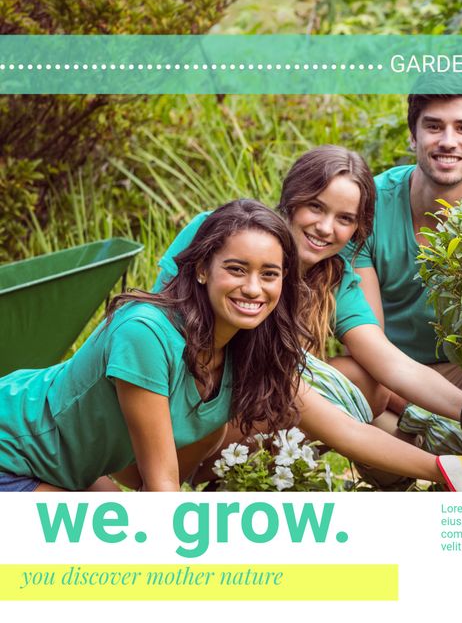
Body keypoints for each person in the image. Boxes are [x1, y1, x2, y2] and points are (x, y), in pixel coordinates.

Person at [154, 146, 462, 469]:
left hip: (257, 403)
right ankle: (223, 471)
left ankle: (272, 474)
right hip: (183, 402)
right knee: (301, 384)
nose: (326, 228)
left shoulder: (334, 278)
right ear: (291, 200)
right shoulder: (219, 233)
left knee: (360, 379)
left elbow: (389, 361)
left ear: (357, 228)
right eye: (316, 206)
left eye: (344, 219)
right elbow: (159, 325)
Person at [0, 200, 304, 491]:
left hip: (64, 465)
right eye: (236, 269)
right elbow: (162, 488)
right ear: (201, 269)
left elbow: (154, 485)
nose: (253, 288)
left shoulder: (247, 347)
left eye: (269, 274)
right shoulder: (145, 332)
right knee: (105, 538)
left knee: (123, 526)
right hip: (11, 449)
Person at [346, 78, 462, 430]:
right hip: (389, 376)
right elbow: (368, 340)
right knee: (358, 399)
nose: (448, 141)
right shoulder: (367, 206)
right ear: (413, 137)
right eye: (434, 126)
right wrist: (424, 412)